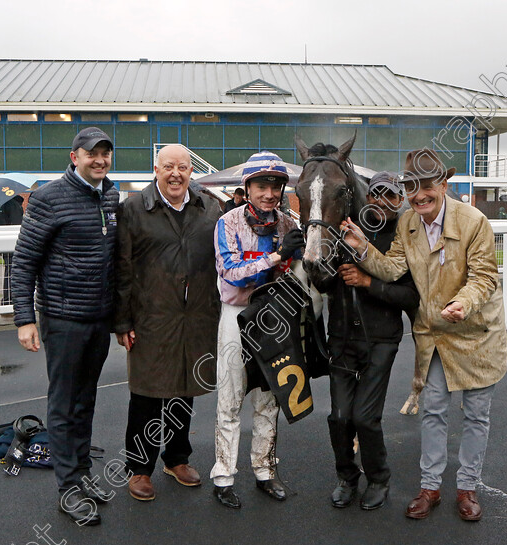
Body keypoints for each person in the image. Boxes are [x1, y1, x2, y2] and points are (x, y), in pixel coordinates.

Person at [341, 149, 507, 522]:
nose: (419, 196)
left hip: (477, 333)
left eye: (427, 186)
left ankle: (467, 488)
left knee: (476, 415)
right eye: (412, 188)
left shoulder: (474, 221)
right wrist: (362, 247)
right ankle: (430, 487)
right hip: (433, 335)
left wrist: (463, 303)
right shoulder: (408, 224)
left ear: (442, 186)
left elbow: (484, 277)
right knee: (433, 411)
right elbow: (391, 267)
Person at [11, 127, 118, 526]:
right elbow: (24, 262)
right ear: (75, 157)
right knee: (63, 402)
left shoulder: (110, 194)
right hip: (61, 317)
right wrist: (25, 318)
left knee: (85, 399)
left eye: (106, 154)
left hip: (98, 317)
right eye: (92, 154)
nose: (100, 160)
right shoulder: (48, 197)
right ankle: (67, 488)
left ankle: (82, 473)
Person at [113, 144, 221, 502]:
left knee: (184, 389)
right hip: (150, 316)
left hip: (196, 316)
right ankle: (139, 468)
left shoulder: (209, 207)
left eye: (184, 167)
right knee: (146, 392)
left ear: (192, 172)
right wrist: (122, 320)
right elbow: (122, 267)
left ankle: (177, 459)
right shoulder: (133, 209)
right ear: (155, 169)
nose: (177, 174)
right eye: (169, 167)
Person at [309, 172, 419, 511]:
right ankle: (346, 477)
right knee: (339, 417)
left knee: (365, 417)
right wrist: (317, 268)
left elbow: (410, 297)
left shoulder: (405, 241)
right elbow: (329, 285)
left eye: (390, 196)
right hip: (341, 338)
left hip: (381, 340)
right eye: (376, 195)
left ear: (400, 201)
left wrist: (367, 281)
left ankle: (378, 477)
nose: (382, 202)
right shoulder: (347, 230)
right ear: (367, 197)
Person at [211, 151, 306, 509]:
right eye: (262, 185)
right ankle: (224, 475)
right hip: (236, 315)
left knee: (269, 399)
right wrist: (277, 257)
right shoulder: (228, 222)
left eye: (275, 186)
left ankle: (265, 471)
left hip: (273, 319)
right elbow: (231, 271)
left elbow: (298, 273)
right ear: (247, 187)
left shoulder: (287, 223)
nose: (269, 193)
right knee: (231, 398)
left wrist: (296, 257)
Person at [0, 195, 24, 305]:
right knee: (13, 272)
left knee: (9, 271)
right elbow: (17, 224)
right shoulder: (13, 205)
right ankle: (10, 300)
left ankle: (7, 299)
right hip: (14, 243)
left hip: (1, 242)